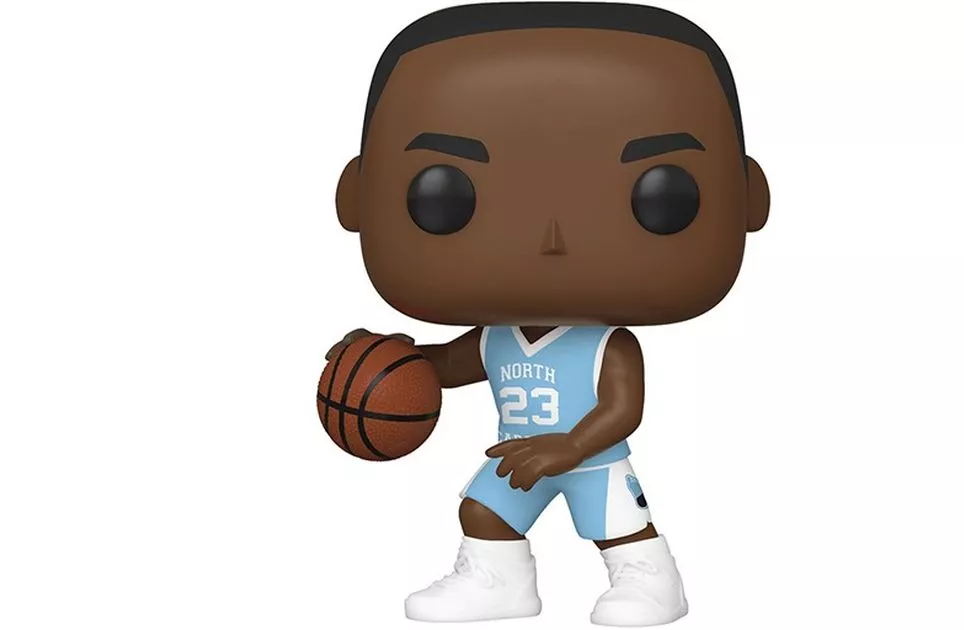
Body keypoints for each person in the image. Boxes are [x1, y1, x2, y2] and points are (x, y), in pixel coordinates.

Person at [326, 2, 769, 625]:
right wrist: (383, 358)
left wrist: (571, 446)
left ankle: (652, 583)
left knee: (620, 529)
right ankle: (497, 583)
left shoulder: (608, 345)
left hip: (592, 459)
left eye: (663, 197)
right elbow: (442, 367)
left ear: (748, 197)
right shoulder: (497, 336)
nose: (552, 241)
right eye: (444, 197)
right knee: (481, 512)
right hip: (518, 456)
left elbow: (624, 409)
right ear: (356, 196)